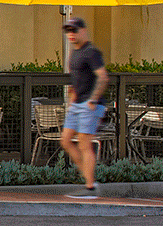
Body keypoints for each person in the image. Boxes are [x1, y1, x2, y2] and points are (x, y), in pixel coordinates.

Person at [59, 16, 109, 198]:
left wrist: (93, 101)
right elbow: (76, 80)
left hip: (90, 104)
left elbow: (103, 77)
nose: (70, 34)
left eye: (74, 30)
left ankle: (89, 188)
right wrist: (72, 100)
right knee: (65, 140)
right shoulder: (75, 53)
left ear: (83, 31)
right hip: (77, 103)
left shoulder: (91, 52)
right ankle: (89, 179)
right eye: (68, 31)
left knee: (84, 145)